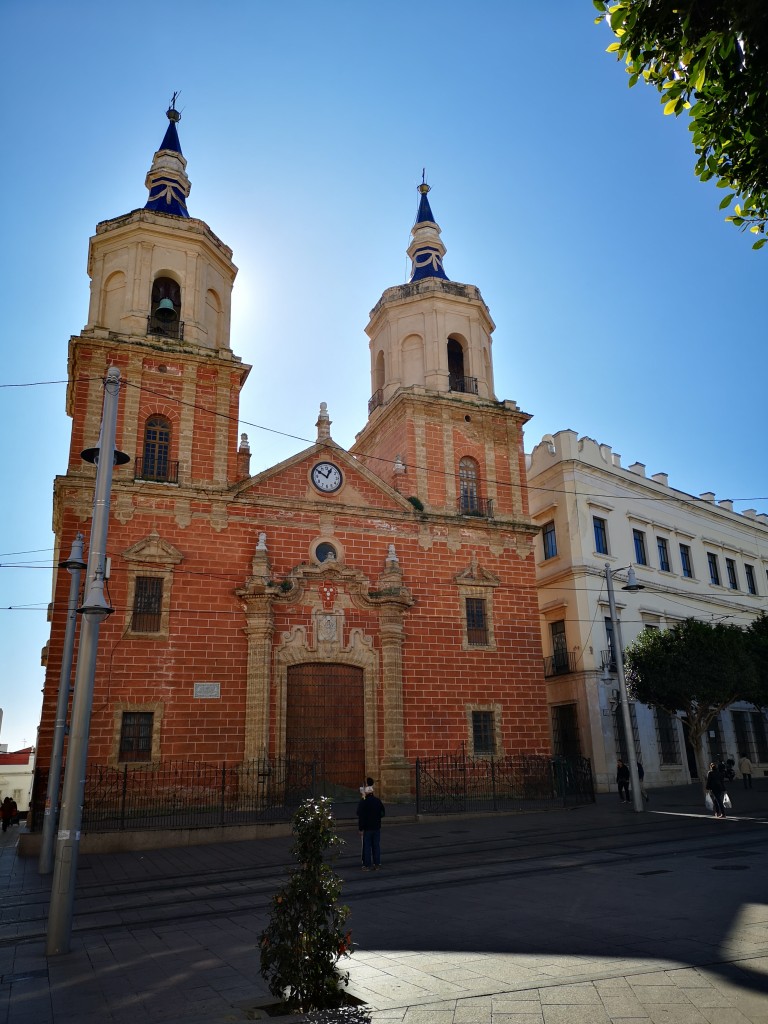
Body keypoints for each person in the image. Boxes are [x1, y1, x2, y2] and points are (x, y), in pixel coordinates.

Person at [356, 777, 386, 870]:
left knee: (367, 847)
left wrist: (360, 829)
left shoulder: (363, 802)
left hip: (367, 828)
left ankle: (367, 865)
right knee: (376, 846)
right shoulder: (377, 801)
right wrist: (377, 818)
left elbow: (359, 814)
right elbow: (383, 813)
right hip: (376, 827)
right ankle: (377, 864)